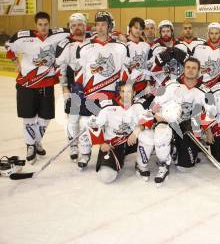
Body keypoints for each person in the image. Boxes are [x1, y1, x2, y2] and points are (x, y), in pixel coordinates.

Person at [5, 11, 69, 164]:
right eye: (40, 25)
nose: (43, 27)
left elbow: (78, 31)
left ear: (49, 23)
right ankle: (30, 146)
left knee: (45, 117)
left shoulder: (58, 34)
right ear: (36, 25)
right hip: (26, 84)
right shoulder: (24, 37)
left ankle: (36, 140)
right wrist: (16, 62)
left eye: (46, 24)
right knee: (28, 117)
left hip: (46, 84)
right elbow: (8, 45)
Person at [74, 11, 131, 170]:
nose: (100, 28)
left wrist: (124, 94)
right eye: (97, 24)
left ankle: (111, 152)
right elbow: (79, 71)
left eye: (103, 24)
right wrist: (77, 91)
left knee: (109, 126)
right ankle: (85, 153)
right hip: (91, 95)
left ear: (109, 26)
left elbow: (124, 72)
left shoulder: (120, 47)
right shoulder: (85, 46)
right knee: (87, 123)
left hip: (110, 96)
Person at [152, 57, 215, 172]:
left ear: (199, 71)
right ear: (183, 69)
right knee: (162, 132)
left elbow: (210, 113)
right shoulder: (171, 84)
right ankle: (167, 149)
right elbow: (155, 104)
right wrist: (159, 118)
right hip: (169, 123)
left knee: (185, 167)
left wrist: (208, 131)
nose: (190, 70)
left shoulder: (206, 91)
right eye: (188, 67)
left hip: (188, 127)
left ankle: (176, 149)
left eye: (194, 68)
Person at [87, 81, 143, 184]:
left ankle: (141, 164)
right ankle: (120, 157)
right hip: (113, 144)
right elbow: (93, 123)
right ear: (119, 93)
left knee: (148, 135)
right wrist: (101, 143)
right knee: (107, 177)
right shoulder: (108, 106)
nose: (126, 95)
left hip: (132, 142)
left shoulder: (139, 105)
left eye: (129, 92)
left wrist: (136, 132)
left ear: (134, 93)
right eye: (123, 91)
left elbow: (147, 120)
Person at [55, 13, 91, 162]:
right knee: (74, 118)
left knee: (89, 118)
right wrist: (64, 87)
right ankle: (73, 145)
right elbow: (59, 67)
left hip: (91, 89)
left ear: (85, 25)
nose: (77, 28)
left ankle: (86, 146)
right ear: (70, 27)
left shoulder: (91, 40)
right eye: (74, 25)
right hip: (74, 88)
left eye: (80, 24)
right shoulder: (65, 44)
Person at [192, 22, 220, 88]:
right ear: (208, 34)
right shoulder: (198, 48)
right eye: (211, 33)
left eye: (216, 33)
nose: (214, 36)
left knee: (213, 98)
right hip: (200, 86)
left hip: (219, 87)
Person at [149, 20, 189, 86]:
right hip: (161, 85)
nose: (165, 34)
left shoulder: (182, 46)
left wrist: (184, 60)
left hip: (179, 84)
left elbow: (191, 65)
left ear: (172, 32)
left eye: (168, 31)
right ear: (160, 33)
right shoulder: (155, 48)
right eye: (163, 31)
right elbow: (150, 71)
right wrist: (158, 63)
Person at [124, 17, 152, 99]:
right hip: (128, 86)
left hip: (142, 86)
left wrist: (148, 84)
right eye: (136, 27)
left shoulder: (146, 46)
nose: (138, 30)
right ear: (130, 28)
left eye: (140, 28)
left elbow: (147, 66)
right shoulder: (123, 45)